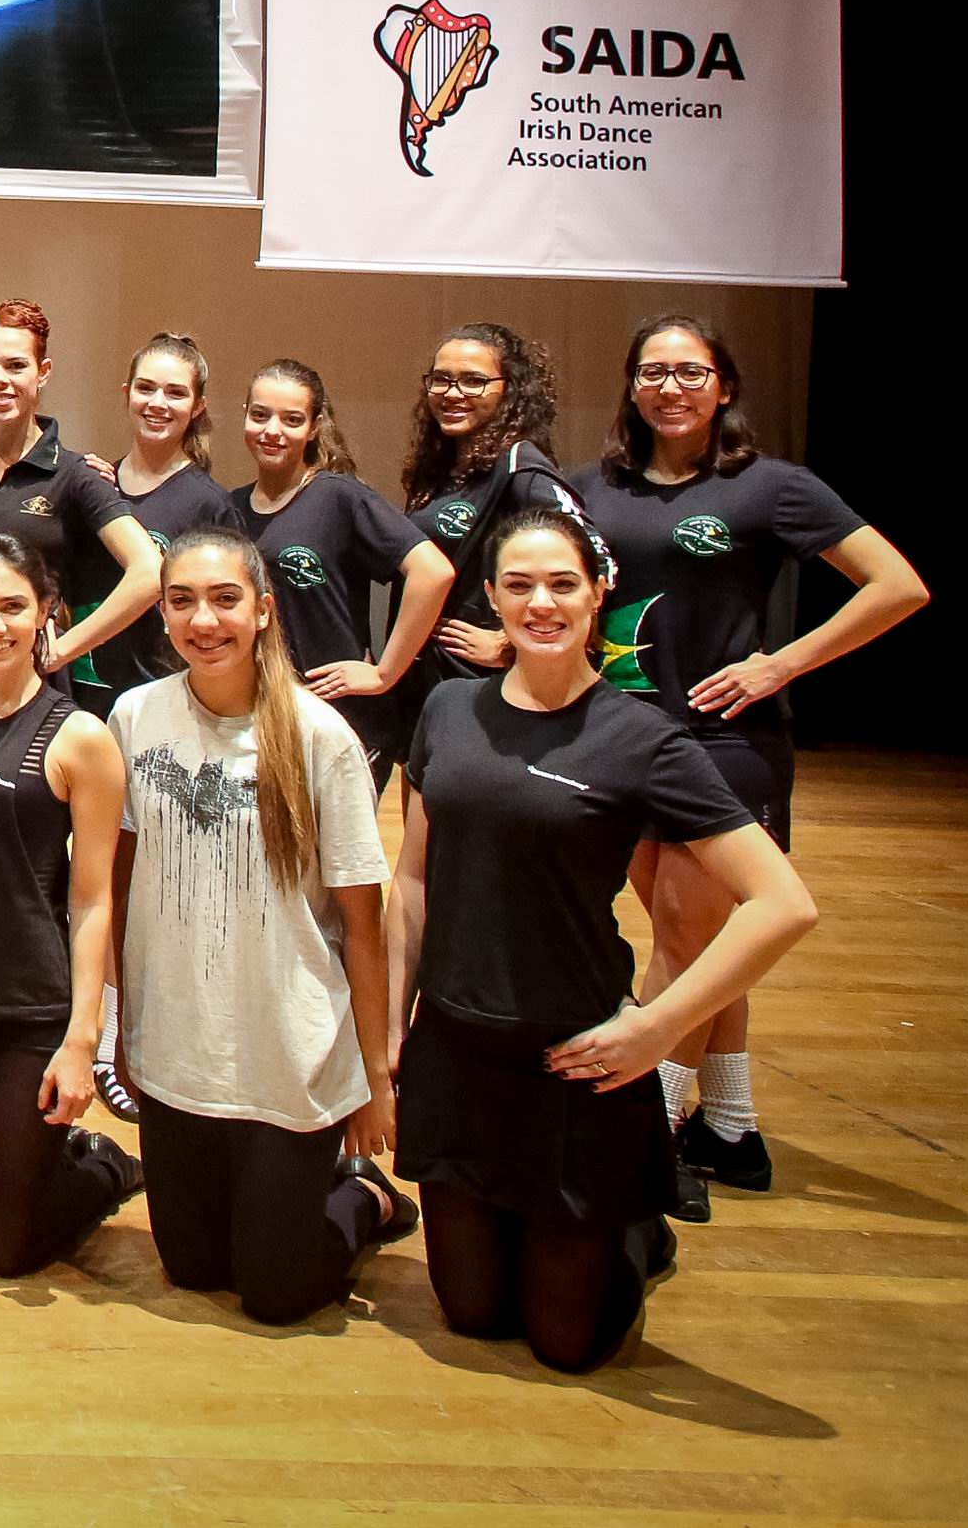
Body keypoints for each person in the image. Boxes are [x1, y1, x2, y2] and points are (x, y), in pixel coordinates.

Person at [391, 506, 820, 1372]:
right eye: (518, 585)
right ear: (490, 597)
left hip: (573, 1063)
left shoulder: (641, 738)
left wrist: (657, 1030)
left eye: (561, 584)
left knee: (566, 1344)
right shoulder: (445, 709)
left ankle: (634, 1227)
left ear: (598, 592)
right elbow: (412, 878)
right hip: (459, 1053)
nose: (539, 602)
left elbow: (782, 902)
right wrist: (393, 1028)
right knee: (472, 1316)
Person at [568, 313, 927, 1209]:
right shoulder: (593, 487)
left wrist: (782, 661)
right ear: (631, 386)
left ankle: (645, 1132)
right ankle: (730, 1125)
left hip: (723, 744)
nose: (671, 386)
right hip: (625, 741)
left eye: (691, 371)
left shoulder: (770, 487)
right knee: (697, 944)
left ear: (723, 386)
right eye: (653, 370)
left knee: (687, 943)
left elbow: (897, 585)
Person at [112, 529, 412, 1325]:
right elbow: (119, 876)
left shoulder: (320, 739)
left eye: (224, 599)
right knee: (191, 1269)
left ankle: (363, 1203)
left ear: (264, 611)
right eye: (181, 600)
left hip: (288, 1054)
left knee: (275, 1294)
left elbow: (362, 920)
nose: (202, 620)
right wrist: (124, 1019)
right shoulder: (134, 717)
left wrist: (374, 1077)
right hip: (180, 1047)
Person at [0, 534, 143, 1278]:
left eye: (12, 606)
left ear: (46, 610)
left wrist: (83, 1038)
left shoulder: (78, 738)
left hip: (28, 1014)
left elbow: (93, 898)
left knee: (7, 1252)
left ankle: (102, 1167)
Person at [0, 300, 162, 691]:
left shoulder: (75, 475)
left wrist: (64, 649)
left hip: (35, 679)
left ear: (43, 372)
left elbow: (150, 572)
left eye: (15, 365)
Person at [234, 358, 457, 790]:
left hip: (340, 721)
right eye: (259, 415)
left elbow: (433, 572)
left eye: (291, 419)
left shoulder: (338, 496)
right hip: (263, 719)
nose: (272, 430)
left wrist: (384, 673)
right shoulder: (232, 507)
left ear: (315, 426)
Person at [63, 333, 244, 717]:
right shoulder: (92, 487)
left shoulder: (208, 503)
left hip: (161, 700)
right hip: (78, 694)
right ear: (127, 392)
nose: (157, 403)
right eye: (146, 389)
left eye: (175, 393)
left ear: (198, 407)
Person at [395, 322, 565, 694]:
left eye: (473, 381)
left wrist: (510, 644)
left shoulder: (522, 469)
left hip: (491, 691)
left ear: (509, 391)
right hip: (431, 685)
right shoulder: (437, 470)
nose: (453, 393)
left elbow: (597, 566)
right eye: (441, 380)